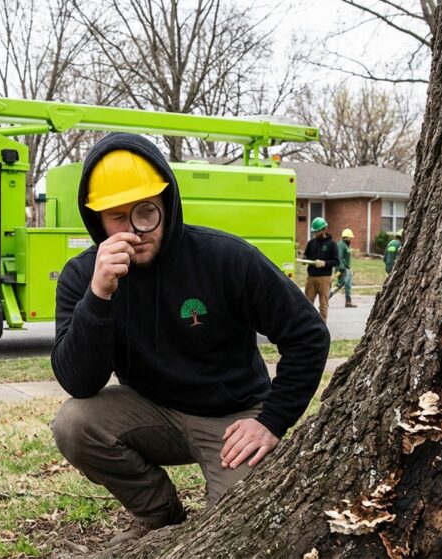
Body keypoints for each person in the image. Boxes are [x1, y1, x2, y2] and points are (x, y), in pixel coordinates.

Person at [50, 133, 330, 548]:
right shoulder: (84, 276)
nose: (135, 230)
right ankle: (158, 513)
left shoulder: (225, 257)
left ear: (167, 202)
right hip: (150, 412)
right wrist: (99, 296)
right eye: (116, 216)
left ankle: (225, 497)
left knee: (234, 532)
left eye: (146, 212)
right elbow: (79, 382)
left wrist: (271, 421)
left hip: (232, 417)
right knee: (73, 422)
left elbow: (307, 335)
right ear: (96, 219)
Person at [302, 217, 340, 321]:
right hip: (311, 278)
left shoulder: (332, 244)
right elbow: (306, 255)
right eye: (314, 231)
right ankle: (307, 325)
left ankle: (322, 326)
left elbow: (336, 261)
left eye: (317, 231)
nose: (315, 234)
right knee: (307, 304)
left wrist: (324, 263)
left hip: (324, 279)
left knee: (323, 305)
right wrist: (304, 260)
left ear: (324, 229)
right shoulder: (311, 243)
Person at [329, 228, 356, 308]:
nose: (350, 239)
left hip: (347, 268)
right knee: (341, 283)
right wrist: (341, 267)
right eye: (349, 237)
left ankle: (348, 301)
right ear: (345, 237)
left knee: (348, 284)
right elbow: (339, 257)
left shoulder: (347, 245)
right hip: (341, 268)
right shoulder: (340, 244)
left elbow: (346, 255)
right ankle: (327, 297)